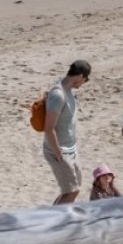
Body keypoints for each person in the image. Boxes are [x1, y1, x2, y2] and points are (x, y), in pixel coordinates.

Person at [43, 59, 91, 204]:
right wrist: (58, 151)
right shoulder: (59, 95)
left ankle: (54, 217)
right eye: (86, 79)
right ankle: (54, 222)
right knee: (71, 191)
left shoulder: (68, 90)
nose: (84, 83)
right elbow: (49, 128)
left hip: (71, 148)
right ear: (81, 76)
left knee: (72, 190)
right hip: (59, 150)